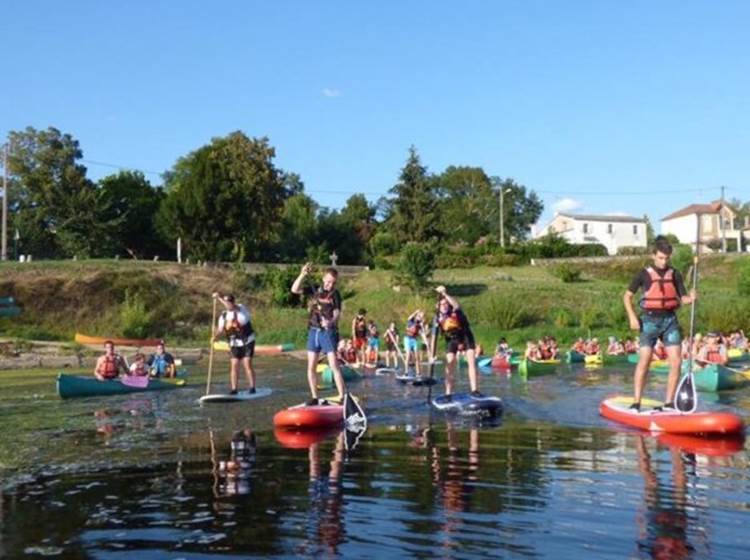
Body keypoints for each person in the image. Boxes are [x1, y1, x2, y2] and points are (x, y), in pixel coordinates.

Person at [624, 237, 696, 411]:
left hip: (670, 320)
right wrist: (632, 317)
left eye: (667, 258)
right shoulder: (643, 274)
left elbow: (683, 298)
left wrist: (691, 298)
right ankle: (636, 402)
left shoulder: (675, 274)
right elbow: (627, 296)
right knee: (645, 360)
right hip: (648, 321)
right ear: (653, 256)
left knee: (676, 362)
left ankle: (669, 402)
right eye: (661, 258)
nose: (664, 262)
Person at [291, 263, 346, 405]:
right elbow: (294, 289)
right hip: (313, 330)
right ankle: (315, 397)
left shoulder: (335, 294)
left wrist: (331, 322)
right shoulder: (314, 289)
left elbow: (337, 314)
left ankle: (342, 396)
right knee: (311, 366)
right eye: (328, 281)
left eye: (333, 282)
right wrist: (303, 274)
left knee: (334, 365)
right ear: (323, 279)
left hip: (328, 332)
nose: (329, 285)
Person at [435, 285, 481, 399]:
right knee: (450, 364)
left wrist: (445, 294)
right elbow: (433, 337)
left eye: (446, 304)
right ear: (438, 307)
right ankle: (448, 393)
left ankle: (474, 390)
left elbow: (456, 304)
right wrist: (432, 355)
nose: (444, 306)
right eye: (442, 304)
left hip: (465, 336)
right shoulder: (438, 318)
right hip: (451, 339)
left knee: (471, 362)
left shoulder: (455, 310)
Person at [212, 293, 256, 395]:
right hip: (234, 343)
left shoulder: (241, 309)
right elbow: (220, 330)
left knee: (247, 363)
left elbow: (232, 306)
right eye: (226, 303)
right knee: (234, 365)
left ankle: (252, 387)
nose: (227, 305)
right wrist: (214, 336)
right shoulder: (223, 315)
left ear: (233, 302)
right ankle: (234, 389)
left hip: (247, 340)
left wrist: (219, 298)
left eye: (229, 303)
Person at [404, 310, 431, 375]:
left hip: (414, 340)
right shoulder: (411, 320)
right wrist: (416, 312)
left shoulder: (420, 325)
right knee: (408, 355)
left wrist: (426, 341)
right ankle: (406, 372)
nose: (420, 318)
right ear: (417, 316)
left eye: (422, 317)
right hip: (407, 339)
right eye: (419, 316)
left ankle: (418, 372)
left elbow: (422, 334)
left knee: (417, 356)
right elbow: (409, 317)